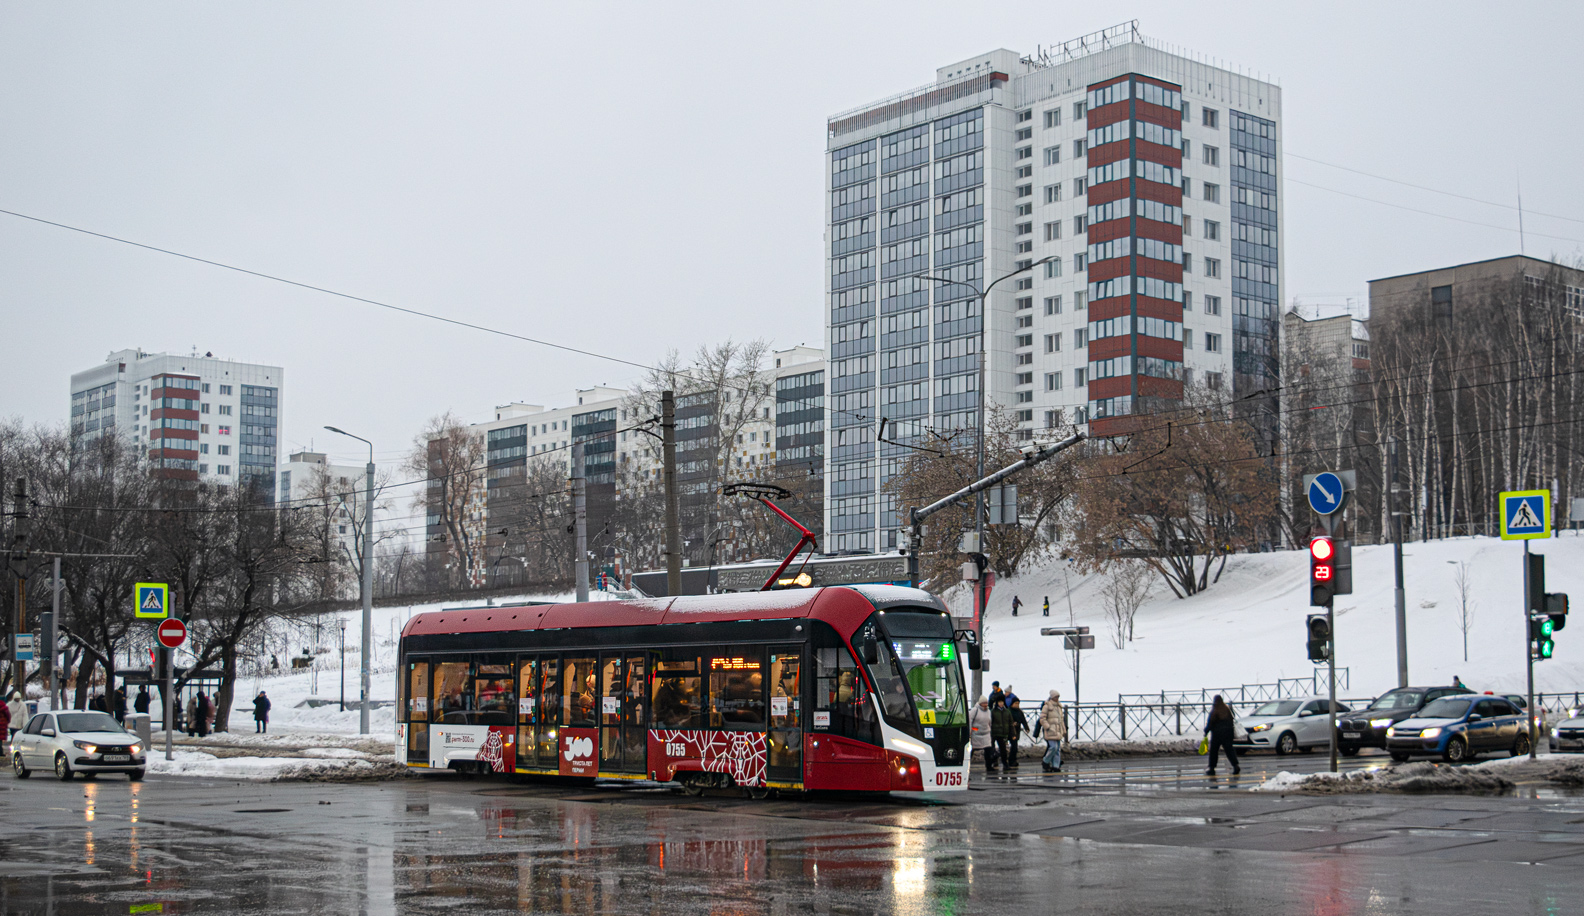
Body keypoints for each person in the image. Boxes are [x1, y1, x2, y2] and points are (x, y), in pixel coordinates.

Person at [1203, 695, 1241, 776]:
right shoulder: (1226, 709)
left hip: (1217, 734)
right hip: (1228, 733)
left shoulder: (1215, 709)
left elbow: (1210, 722)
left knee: (1214, 751)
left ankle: (1212, 768)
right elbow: (1232, 719)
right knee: (1229, 750)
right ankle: (1235, 765)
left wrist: (1206, 731)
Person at [1036, 689, 1067, 772]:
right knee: (1053, 747)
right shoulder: (1047, 706)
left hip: (1058, 730)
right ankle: (1045, 761)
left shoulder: (1059, 707)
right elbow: (1042, 718)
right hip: (1050, 731)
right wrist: (1047, 726)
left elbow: (1061, 720)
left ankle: (1056, 766)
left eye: (1058, 697)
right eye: (1056, 697)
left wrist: (1063, 729)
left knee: (1057, 749)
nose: (1057, 698)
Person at [991, 697, 1019, 771]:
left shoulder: (1007, 712)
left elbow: (1011, 723)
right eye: (999, 702)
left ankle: (1005, 764)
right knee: (992, 749)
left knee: (1003, 750)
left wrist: (1013, 734)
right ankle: (993, 761)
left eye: (1002, 702)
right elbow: (990, 723)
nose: (1001, 704)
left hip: (1003, 734)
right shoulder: (993, 712)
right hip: (994, 733)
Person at [969, 696, 995, 773]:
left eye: (986, 703)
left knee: (988, 751)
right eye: (984, 703)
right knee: (971, 751)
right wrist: (970, 731)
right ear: (980, 703)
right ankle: (967, 766)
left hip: (986, 734)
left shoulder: (988, 711)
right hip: (976, 734)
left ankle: (989, 766)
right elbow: (970, 720)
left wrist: (989, 730)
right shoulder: (975, 710)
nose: (985, 705)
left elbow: (990, 722)